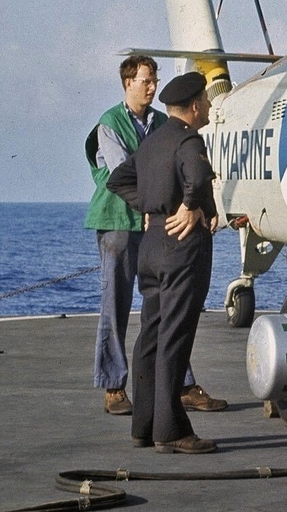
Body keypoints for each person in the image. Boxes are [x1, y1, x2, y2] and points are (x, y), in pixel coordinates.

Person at [84, 56, 223, 416]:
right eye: (146, 80)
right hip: (118, 223)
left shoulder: (164, 122)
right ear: (127, 83)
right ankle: (114, 386)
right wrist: (152, 207)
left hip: (156, 229)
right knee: (115, 304)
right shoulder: (109, 125)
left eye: (154, 80)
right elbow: (121, 174)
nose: (152, 86)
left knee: (168, 308)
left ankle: (182, 383)